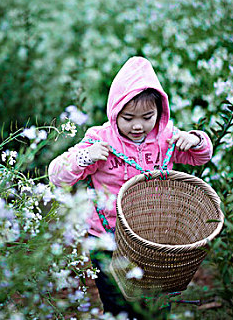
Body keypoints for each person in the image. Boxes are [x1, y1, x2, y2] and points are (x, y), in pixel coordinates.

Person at [48, 56, 213, 319]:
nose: (138, 126)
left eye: (148, 116)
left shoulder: (164, 137)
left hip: (152, 237)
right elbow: (56, 175)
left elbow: (201, 157)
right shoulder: (99, 139)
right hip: (107, 236)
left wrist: (193, 140)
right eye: (127, 118)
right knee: (116, 302)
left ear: (160, 111)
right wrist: (85, 157)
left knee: (157, 299)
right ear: (114, 112)